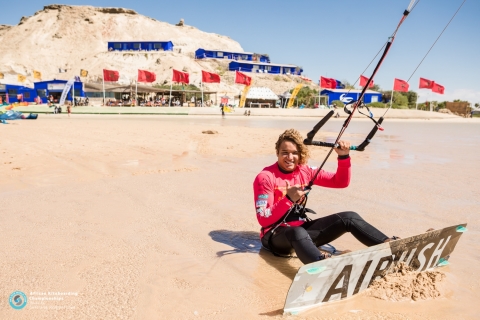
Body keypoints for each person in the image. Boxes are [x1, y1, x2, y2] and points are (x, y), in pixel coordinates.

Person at [253, 129, 398, 264]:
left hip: (303, 233)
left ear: (300, 154)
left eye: (295, 153)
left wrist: (343, 157)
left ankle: (389, 246)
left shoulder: (306, 171)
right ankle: (322, 263)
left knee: (349, 217)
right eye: (284, 152)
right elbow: (264, 220)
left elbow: (340, 182)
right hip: (275, 236)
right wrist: (288, 199)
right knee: (296, 232)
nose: (290, 157)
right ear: (277, 152)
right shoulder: (265, 177)